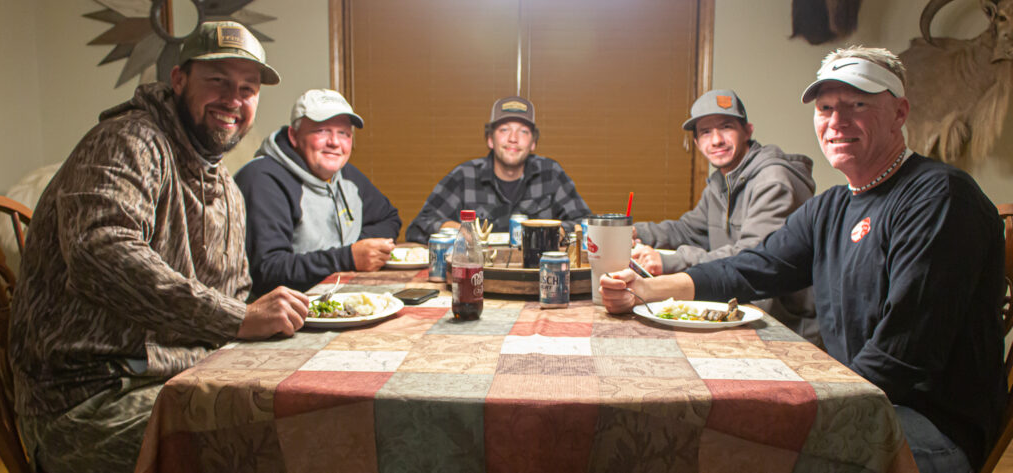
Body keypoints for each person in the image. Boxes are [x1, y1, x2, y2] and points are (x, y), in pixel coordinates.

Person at [600, 46, 1005, 473]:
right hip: (863, 398)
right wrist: (646, 289)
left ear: (899, 112)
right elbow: (753, 266)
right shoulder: (830, 207)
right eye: (826, 107)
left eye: (858, 104)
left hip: (928, 425)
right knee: (694, 431)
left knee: (727, 453)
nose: (836, 122)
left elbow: (900, 359)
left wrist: (803, 413)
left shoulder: (938, 198)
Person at [8, 21, 311, 473]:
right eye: (218, 81)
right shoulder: (129, 140)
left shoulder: (224, 184)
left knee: (308, 412)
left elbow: (232, 295)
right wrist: (239, 319)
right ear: (179, 80)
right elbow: (101, 253)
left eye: (248, 89)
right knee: (273, 444)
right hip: (88, 401)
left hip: (178, 378)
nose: (234, 99)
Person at [632, 89, 819, 342]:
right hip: (745, 313)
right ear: (697, 143)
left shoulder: (774, 181)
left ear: (748, 131)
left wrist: (668, 262)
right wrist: (633, 232)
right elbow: (688, 230)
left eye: (726, 127)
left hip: (787, 328)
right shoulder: (722, 182)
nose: (716, 140)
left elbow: (753, 257)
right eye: (706, 132)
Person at [235, 89, 401, 296]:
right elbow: (267, 271)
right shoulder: (262, 179)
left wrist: (358, 249)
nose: (334, 142)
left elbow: (389, 218)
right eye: (322, 131)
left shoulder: (346, 175)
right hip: (281, 315)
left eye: (344, 133)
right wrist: (347, 257)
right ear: (294, 136)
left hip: (340, 299)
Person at [405, 96, 591, 243]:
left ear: (533, 142)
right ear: (490, 140)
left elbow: (585, 223)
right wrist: (455, 228)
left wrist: (555, 230)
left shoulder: (551, 173)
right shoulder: (464, 176)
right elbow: (418, 227)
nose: (513, 138)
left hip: (537, 276)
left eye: (523, 131)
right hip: (477, 276)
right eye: (504, 130)